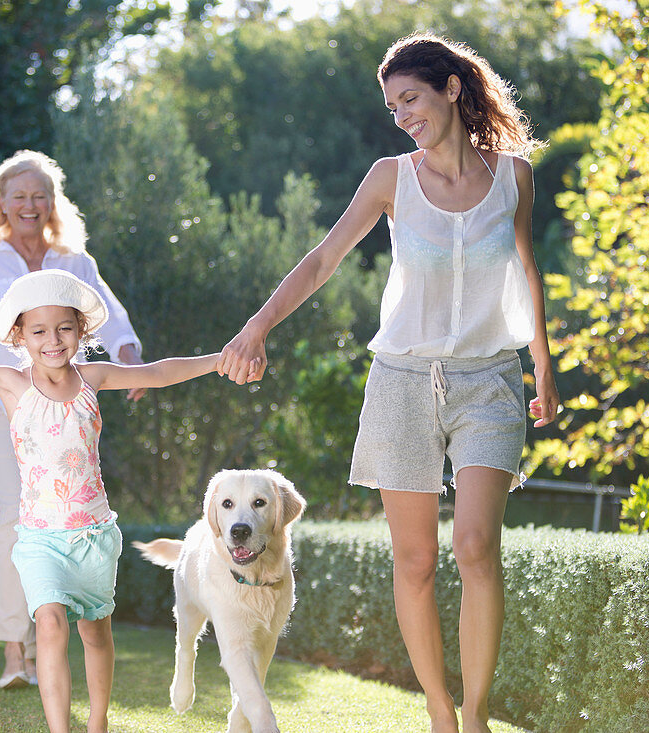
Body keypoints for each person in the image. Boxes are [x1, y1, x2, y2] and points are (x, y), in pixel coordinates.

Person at [217, 33, 562, 733]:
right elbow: (321, 262)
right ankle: (439, 710)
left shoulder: (515, 177)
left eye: (411, 98)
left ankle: (477, 713)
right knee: (416, 557)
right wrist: (257, 326)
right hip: (403, 380)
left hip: (489, 379)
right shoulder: (390, 176)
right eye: (392, 106)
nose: (402, 114)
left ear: (453, 89)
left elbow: (528, 270)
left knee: (474, 545)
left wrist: (544, 366)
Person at [0, 267, 217, 733]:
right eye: (39, 330)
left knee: (95, 634)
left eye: (64, 327)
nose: (53, 340)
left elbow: (159, 373)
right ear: (20, 335)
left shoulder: (94, 377)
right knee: (49, 623)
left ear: (81, 330)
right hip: (41, 539)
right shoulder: (10, 383)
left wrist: (218, 359)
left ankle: (98, 723)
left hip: (94, 537)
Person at [0, 149, 146, 688]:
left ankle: (46, 641)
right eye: (19, 196)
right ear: (2, 204)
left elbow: (111, 314)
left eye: (40, 195)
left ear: (53, 203)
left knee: (62, 519)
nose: (30, 205)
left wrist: (128, 356)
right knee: (19, 516)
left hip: (64, 405)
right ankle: (17, 653)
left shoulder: (75, 263)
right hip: (2, 407)